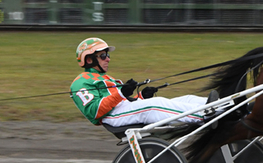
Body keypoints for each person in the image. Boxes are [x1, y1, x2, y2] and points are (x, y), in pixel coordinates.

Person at [70, 37, 209, 127]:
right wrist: (121, 93)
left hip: (122, 111)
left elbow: (123, 102)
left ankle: (219, 106)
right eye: (103, 55)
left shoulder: (105, 78)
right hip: (112, 118)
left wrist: (141, 96)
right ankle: (204, 116)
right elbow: (94, 112)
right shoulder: (80, 83)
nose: (108, 59)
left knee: (187, 98)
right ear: (89, 60)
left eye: (107, 55)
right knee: (156, 104)